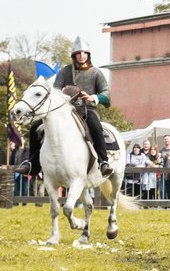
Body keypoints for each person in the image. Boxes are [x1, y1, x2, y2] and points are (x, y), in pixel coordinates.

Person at [16, 36, 113, 178]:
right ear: (74, 55)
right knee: (35, 128)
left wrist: (94, 97)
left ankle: (104, 161)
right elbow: (54, 90)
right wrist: (65, 93)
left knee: (95, 125)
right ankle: (33, 164)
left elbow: (107, 95)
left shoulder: (96, 73)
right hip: (65, 110)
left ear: (88, 55)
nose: (81, 56)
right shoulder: (65, 71)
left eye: (84, 53)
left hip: (87, 110)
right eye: (78, 53)